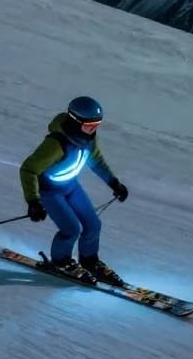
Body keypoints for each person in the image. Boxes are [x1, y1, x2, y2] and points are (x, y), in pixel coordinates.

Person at [19, 96, 129, 284]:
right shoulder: (56, 144)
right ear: (75, 122)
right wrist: (33, 202)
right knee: (71, 229)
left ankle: (89, 261)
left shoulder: (88, 140)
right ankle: (60, 261)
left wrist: (114, 183)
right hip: (50, 192)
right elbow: (28, 169)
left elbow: (97, 162)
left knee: (93, 225)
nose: (93, 130)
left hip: (71, 187)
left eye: (96, 125)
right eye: (89, 126)